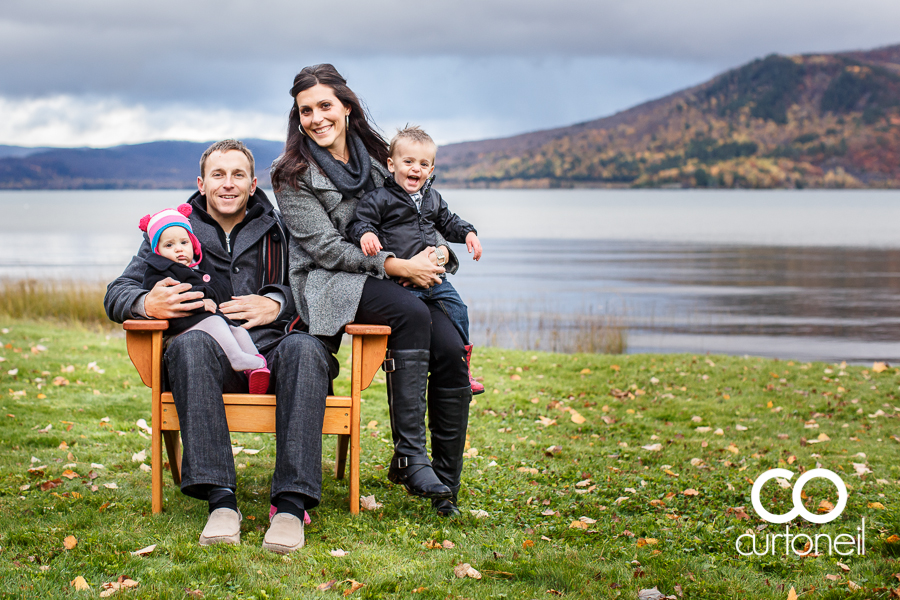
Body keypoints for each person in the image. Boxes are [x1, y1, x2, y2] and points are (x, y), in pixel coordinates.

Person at [105, 139, 332, 552]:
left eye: (238, 175)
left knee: (307, 350)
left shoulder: (282, 227)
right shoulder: (170, 230)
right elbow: (117, 291)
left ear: (252, 183)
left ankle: (289, 506)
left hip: (272, 350)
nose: (228, 184)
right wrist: (145, 302)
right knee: (189, 346)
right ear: (202, 183)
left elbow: (321, 284)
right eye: (218, 175)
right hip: (208, 356)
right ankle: (221, 501)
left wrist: (277, 301)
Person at [271, 64, 471, 516]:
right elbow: (324, 247)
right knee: (412, 315)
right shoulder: (291, 174)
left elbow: (418, 217)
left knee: (449, 345)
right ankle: (409, 454)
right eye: (306, 110)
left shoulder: (382, 156)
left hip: (394, 273)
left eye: (325, 105)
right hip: (330, 281)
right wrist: (394, 263)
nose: (316, 117)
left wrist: (440, 256)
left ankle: (444, 484)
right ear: (297, 117)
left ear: (346, 106)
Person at [347, 125, 485, 395]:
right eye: (408, 161)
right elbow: (359, 221)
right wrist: (366, 234)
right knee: (414, 322)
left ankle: (463, 365)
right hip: (402, 281)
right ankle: (411, 383)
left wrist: (469, 233)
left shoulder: (433, 198)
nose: (415, 169)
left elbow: (448, 221)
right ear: (391, 164)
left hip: (434, 279)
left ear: (431, 170)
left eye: (423, 164)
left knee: (459, 311)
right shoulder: (380, 198)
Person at [138, 204, 270, 393]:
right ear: (157, 250)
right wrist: (201, 303)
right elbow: (170, 299)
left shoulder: (199, 265)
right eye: (169, 245)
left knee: (238, 330)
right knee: (216, 321)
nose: (179, 250)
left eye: (184, 243)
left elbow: (220, 289)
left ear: (193, 243)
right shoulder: (158, 270)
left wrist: (213, 294)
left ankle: (257, 368)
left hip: (203, 319)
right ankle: (237, 358)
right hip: (181, 324)